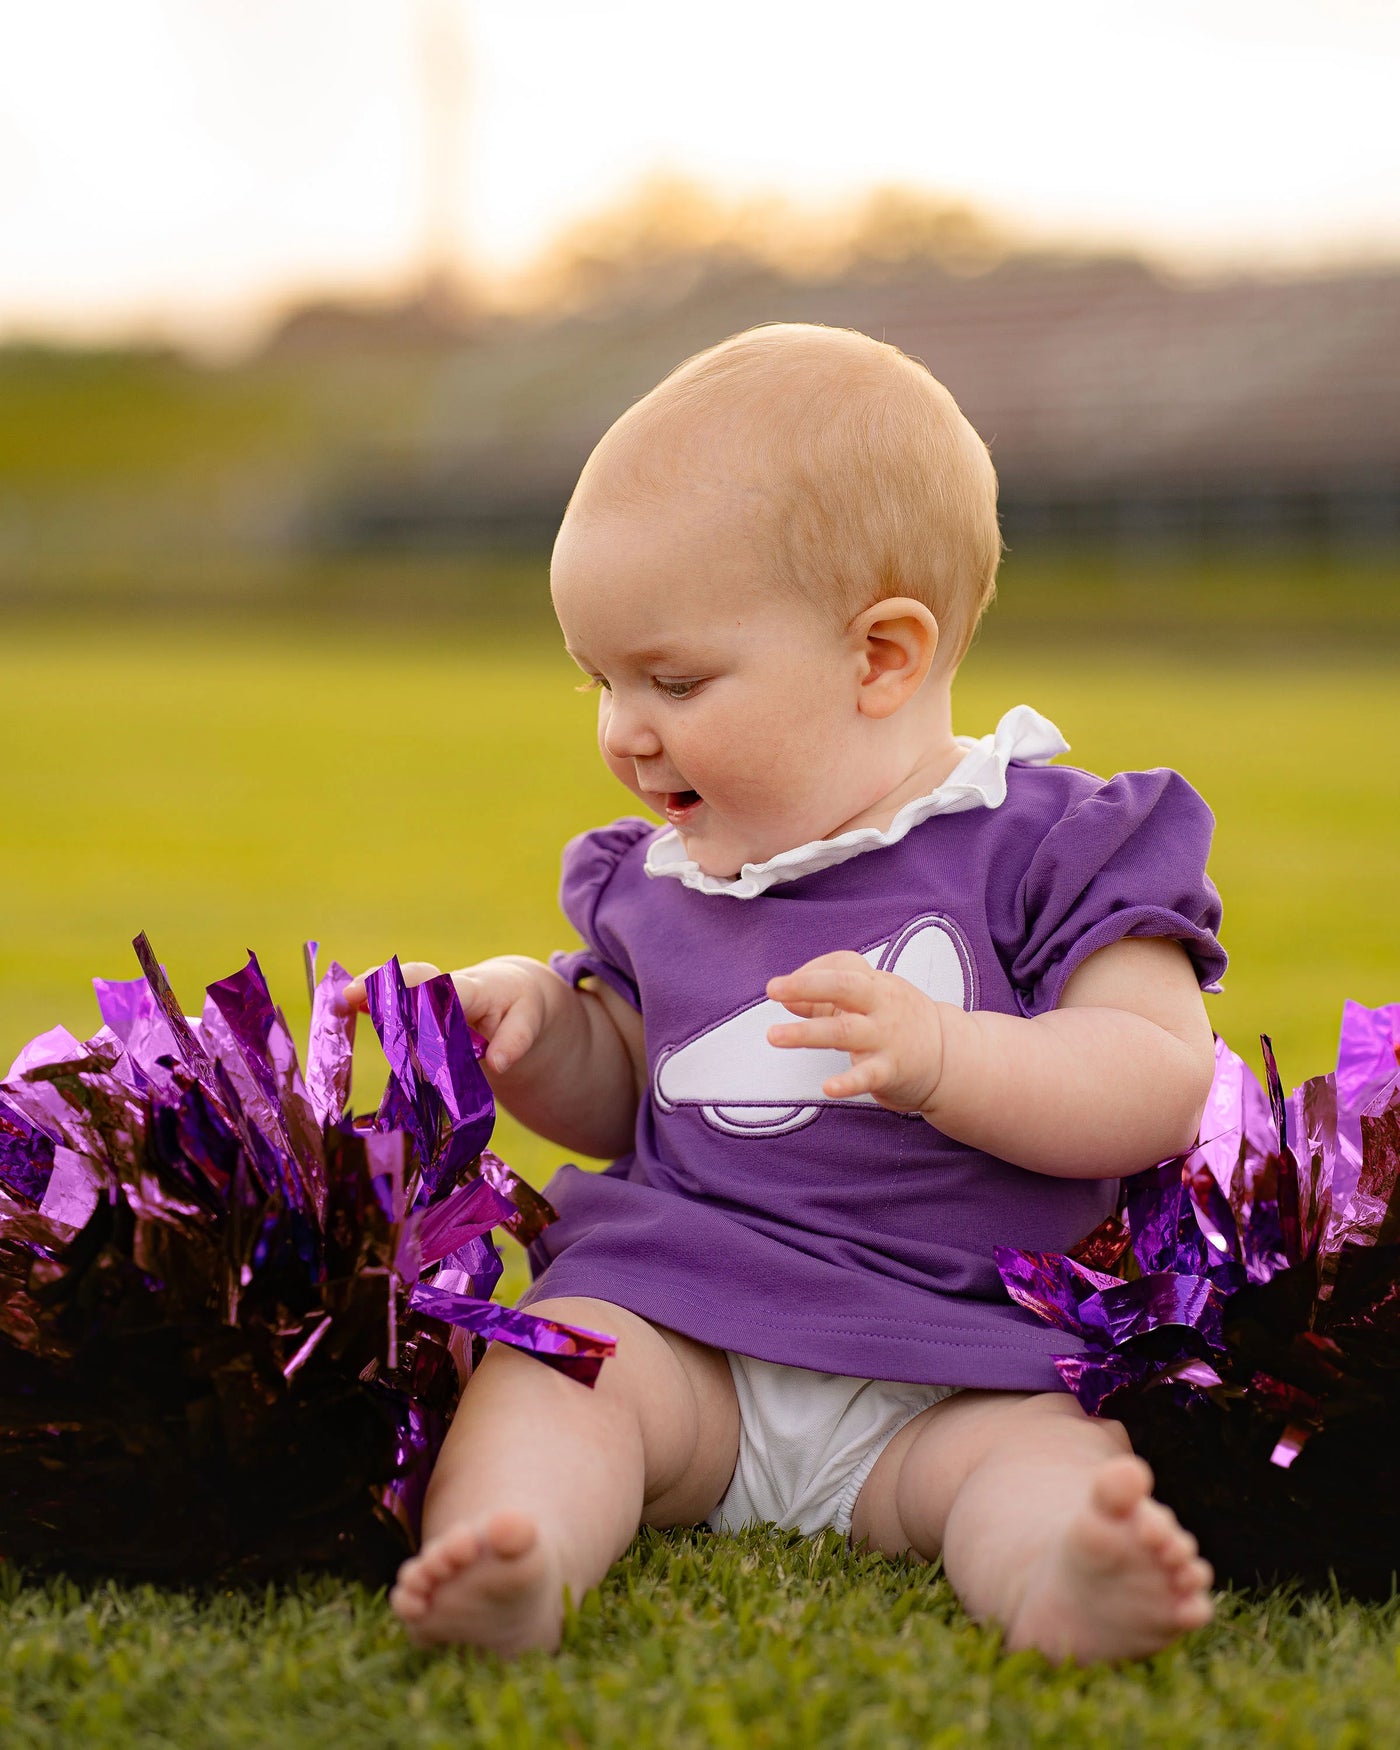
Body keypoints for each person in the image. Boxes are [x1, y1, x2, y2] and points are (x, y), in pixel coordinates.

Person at [347, 323, 1223, 1663]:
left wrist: (948, 1056)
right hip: (685, 1336)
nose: (622, 729)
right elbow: (638, 1089)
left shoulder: (1056, 841)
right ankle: (518, 1551)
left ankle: (1067, 1581)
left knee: (1040, 1462)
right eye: (600, 679)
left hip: (955, 1358)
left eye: (672, 677)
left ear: (880, 656)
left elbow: (1155, 1079)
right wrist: (534, 1026)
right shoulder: (662, 872)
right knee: (558, 1357)